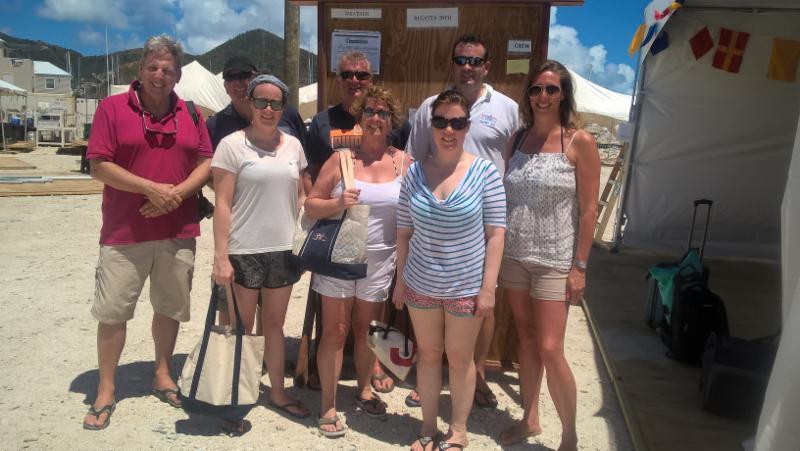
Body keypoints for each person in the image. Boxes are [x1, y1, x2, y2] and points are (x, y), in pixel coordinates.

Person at [82, 35, 212, 430]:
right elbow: (98, 165)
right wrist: (150, 189)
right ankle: (106, 388)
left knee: (169, 307)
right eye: (153, 67)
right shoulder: (112, 108)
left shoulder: (191, 113)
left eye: (168, 69)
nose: (160, 74)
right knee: (114, 311)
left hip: (177, 228)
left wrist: (175, 195)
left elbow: (206, 161)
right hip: (125, 231)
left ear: (178, 75)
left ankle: (161, 373)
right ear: (140, 70)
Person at [405, 34, 519, 410]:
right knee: (433, 328)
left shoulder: (507, 108)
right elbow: (414, 159)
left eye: (476, 61)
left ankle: (477, 378)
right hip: (437, 222)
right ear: (453, 63)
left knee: (482, 309)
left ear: (487, 65)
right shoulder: (428, 108)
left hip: (480, 218)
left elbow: (514, 161)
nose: (468, 67)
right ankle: (431, 383)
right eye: (461, 60)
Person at [394, 90, 506, 450]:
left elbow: (496, 234)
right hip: (421, 284)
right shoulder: (414, 173)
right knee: (427, 357)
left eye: (457, 123)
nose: (448, 129)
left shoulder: (485, 172)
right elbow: (403, 232)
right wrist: (399, 281)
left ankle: (458, 431)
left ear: (466, 127)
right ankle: (427, 428)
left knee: (460, 360)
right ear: (430, 124)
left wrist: (488, 288)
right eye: (441, 121)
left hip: (466, 287)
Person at [497, 60, 600, 451]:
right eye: (536, 89)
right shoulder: (517, 140)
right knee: (524, 337)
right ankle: (530, 418)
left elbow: (589, 211)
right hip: (515, 257)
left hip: (556, 260)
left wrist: (580, 267)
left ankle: (569, 437)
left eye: (551, 89)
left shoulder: (580, 142)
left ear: (563, 95)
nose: (543, 96)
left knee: (551, 348)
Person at [305, 86, 411, 438]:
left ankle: (363, 389)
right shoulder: (341, 160)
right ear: (359, 118)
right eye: (369, 112)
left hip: (381, 260)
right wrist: (337, 204)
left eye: (382, 112)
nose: (376, 118)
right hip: (340, 256)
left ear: (392, 119)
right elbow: (311, 205)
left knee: (367, 334)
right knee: (335, 332)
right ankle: (329, 405)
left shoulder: (403, 162)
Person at [211, 74, 311, 434]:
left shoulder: (294, 147)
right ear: (250, 104)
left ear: (283, 108)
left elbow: (301, 196)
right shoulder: (231, 145)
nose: (268, 109)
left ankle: (278, 393)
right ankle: (235, 397)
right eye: (261, 102)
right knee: (241, 327)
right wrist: (220, 256)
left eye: (276, 103)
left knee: (274, 325)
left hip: (283, 249)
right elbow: (222, 204)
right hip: (243, 250)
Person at [206, 55, 308, 329]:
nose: (238, 82)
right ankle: (234, 367)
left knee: (272, 316)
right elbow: (209, 173)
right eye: (231, 77)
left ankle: (262, 359)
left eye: (244, 75)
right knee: (231, 316)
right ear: (225, 85)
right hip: (240, 238)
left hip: (278, 238)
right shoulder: (217, 126)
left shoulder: (289, 118)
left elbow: (301, 170)